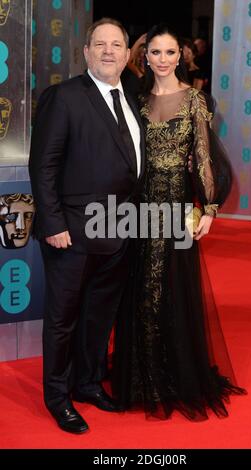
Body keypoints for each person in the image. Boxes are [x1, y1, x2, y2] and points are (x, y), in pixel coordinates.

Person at [112, 24, 246, 421]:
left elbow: (204, 155)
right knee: (138, 288)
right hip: (139, 207)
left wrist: (208, 207)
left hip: (174, 209)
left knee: (171, 287)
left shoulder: (195, 100)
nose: (164, 60)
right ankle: (141, 377)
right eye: (156, 52)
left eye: (171, 52)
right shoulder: (135, 100)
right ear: (145, 56)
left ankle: (173, 377)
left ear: (181, 56)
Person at [29, 17, 145, 434]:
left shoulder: (131, 98)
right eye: (100, 44)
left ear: (128, 54)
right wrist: (53, 222)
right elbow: (43, 165)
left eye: (117, 44)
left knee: (99, 315)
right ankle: (57, 398)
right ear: (86, 52)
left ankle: (88, 382)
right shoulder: (63, 97)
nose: (109, 51)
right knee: (63, 320)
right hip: (72, 232)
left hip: (119, 231)